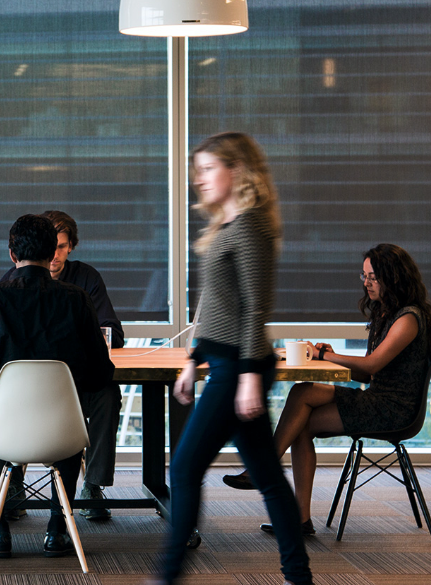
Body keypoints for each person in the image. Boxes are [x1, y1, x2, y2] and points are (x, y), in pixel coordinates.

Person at [145, 133, 313, 585]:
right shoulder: (227, 225)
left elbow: (256, 307)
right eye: (196, 170)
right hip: (227, 364)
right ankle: (299, 577)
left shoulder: (252, 227)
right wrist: (192, 358)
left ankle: (168, 576)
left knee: (182, 469)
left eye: (207, 168)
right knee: (269, 478)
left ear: (236, 171)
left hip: (239, 368)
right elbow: (217, 305)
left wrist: (246, 378)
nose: (198, 179)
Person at [223, 243, 431, 536]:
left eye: (373, 276)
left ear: (394, 277)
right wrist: (332, 354)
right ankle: (278, 489)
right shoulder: (387, 314)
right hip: (377, 397)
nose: (366, 283)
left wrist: (324, 355)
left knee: (299, 422)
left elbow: (372, 366)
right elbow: (367, 374)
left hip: (393, 410)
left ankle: (284, 498)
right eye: (364, 276)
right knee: (303, 391)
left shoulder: (408, 318)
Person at [0, 214, 115, 559]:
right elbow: (101, 373)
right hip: (62, 431)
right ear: (52, 254)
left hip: (1, 428)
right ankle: (58, 530)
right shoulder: (77, 299)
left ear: (12, 254)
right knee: (72, 423)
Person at [1, 210, 123, 520]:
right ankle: (14, 481)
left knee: (107, 393)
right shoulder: (10, 286)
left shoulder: (84, 281)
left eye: (62, 246)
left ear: (71, 247)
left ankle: (93, 484)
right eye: (50, 246)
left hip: (73, 385)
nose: (54, 255)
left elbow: (113, 333)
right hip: (27, 391)